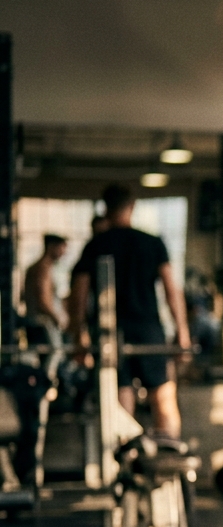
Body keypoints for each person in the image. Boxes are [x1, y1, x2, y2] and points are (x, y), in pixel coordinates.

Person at [69, 183, 191, 439]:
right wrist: (182, 332)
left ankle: (124, 461)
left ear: (106, 208)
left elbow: (78, 296)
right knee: (162, 395)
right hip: (148, 330)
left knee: (121, 394)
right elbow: (172, 290)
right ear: (132, 207)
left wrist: (79, 336)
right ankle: (169, 458)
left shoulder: (96, 245)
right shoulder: (151, 243)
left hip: (110, 333)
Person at [22, 234, 67, 344]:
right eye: (61, 248)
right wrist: (56, 318)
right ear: (51, 247)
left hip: (34, 321)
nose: (63, 253)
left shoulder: (34, 268)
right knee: (55, 354)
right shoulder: (43, 269)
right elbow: (43, 299)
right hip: (43, 323)